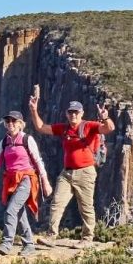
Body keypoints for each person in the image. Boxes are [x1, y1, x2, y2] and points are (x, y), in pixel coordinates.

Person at [29, 87, 115, 242]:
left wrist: (105, 118)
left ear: (81, 113)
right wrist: (34, 110)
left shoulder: (89, 126)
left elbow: (109, 128)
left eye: (76, 112)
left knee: (86, 207)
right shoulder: (63, 129)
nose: (73, 114)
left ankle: (87, 238)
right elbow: (41, 127)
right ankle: (51, 235)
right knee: (56, 203)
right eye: (71, 112)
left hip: (85, 172)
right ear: (67, 114)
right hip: (67, 173)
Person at [0, 111, 51, 255]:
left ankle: (7, 243)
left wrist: (45, 181)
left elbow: (38, 161)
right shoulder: (4, 142)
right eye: (8, 121)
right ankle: (29, 244)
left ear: (20, 124)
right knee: (19, 213)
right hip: (11, 180)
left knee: (11, 210)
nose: (10, 124)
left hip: (26, 179)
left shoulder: (27, 139)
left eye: (14, 121)